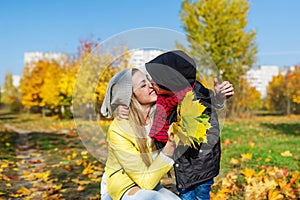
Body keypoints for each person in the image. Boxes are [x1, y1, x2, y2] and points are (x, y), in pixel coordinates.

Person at [118, 50, 234, 200]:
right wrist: (123, 108)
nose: (151, 83)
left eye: (155, 80)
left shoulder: (196, 96)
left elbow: (210, 102)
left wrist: (219, 97)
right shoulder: (164, 98)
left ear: (170, 84)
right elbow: (139, 105)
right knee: (185, 195)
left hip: (202, 165)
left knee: (200, 195)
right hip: (183, 166)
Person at [100, 68, 181, 200]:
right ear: (130, 96)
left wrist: (218, 98)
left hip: (150, 182)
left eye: (148, 80)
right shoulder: (118, 130)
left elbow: (187, 98)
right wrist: (169, 148)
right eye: (143, 85)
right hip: (121, 187)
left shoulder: (160, 115)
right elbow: (145, 182)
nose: (151, 85)